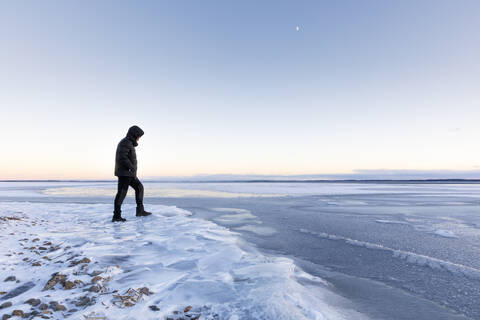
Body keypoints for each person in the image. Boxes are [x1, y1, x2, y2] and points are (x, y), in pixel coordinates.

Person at [112, 125, 152, 222]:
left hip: (129, 173)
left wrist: (132, 170)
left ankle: (140, 211)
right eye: (138, 136)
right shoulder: (125, 142)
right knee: (122, 193)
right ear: (134, 135)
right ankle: (116, 216)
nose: (139, 139)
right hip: (125, 173)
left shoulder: (128, 143)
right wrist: (132, 167)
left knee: (139, 188)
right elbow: (122, 157)